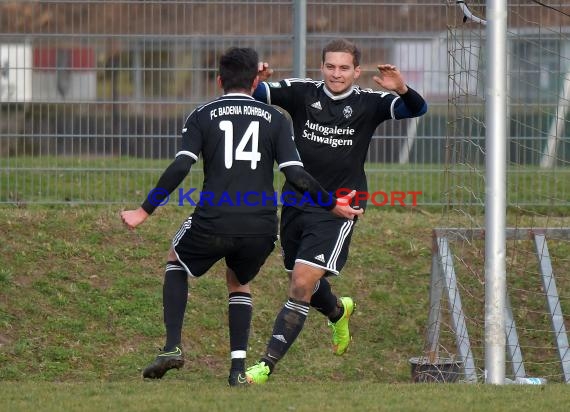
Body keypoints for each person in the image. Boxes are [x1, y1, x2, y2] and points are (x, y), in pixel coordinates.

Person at [120, 46, 362, 386]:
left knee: (176, 257)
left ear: (219, 80)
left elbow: (180, 166)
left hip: (214, 220)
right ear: (254, 83)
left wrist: (143, 211)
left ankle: (172, 346)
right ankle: (237, 371)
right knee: (239, 281)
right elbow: (295, 173)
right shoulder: (277, 120)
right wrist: (330, 203)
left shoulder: (203, 114)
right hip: (262, 228)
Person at [245, 38, 428, 383]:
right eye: (330, 66)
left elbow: (417, 109)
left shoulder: (370, 102)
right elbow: (254, 95)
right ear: (322, 67)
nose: (336, 73)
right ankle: (338, 311)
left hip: (341, 205)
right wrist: (257, 78)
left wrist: (402, 88)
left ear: (357, 71)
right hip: (298, 200)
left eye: (344, 68)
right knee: (303, 281)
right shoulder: (302, 92)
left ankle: (265, 365)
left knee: (300, 282)